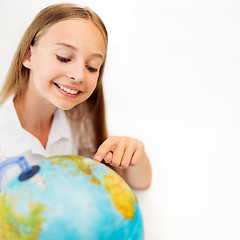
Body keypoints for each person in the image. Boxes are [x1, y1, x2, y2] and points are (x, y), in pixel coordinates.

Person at [0, 3, 151, 190]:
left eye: (92, 67)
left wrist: (135, 152)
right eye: (63, 57)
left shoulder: (79, 121)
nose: (79, 75)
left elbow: (142, 183)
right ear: (29, 56)